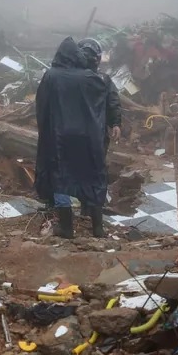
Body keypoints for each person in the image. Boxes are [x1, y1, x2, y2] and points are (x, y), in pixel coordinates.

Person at [35, 37, 110, 239]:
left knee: (61, 178)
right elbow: (101, 105)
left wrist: (45, 130)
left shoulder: (51, 76)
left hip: (60, 136)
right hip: (88, 137)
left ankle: (67, 228)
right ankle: (98, 228)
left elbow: (42, 107)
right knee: (93, 176)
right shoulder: (91, 78)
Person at [78, 38, 122, 230]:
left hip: (76, 132)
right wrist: (115, 123)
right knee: (95, 171)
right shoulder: (103, 79)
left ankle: (81, 208)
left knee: (76, 169)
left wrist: (115, 123)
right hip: (96, 133)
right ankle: (93, 213)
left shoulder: (71, 78)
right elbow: (113, 102)